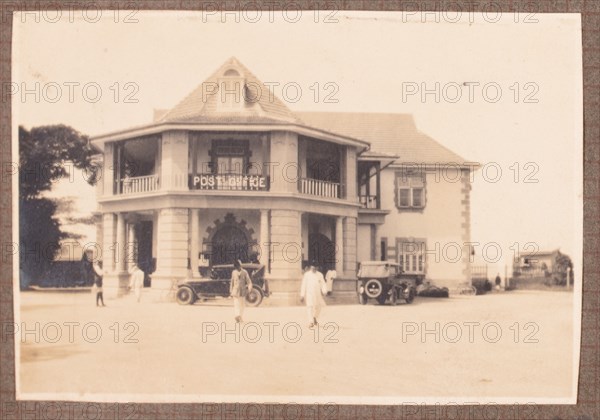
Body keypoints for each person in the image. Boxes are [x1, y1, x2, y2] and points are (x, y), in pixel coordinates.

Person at [300, 262, 327, 328]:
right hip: (309, 293)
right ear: (310, 267)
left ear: (317, 268)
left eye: (315, 267)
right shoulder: (307, 275)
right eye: (312, 267)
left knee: (318, 307)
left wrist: (324, 291)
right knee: (309, 307)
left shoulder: (320, 275)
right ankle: (311, 321)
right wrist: (302, 295)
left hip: (317, 294)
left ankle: (314, 317)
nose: (313, 268)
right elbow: (304, 285)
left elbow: (323, 283)